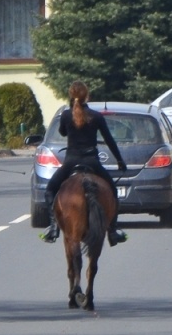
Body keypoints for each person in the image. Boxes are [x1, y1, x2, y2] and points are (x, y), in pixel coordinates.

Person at [40, 82, 129, 246]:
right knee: (113, 192)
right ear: (87, 96)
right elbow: (109, 140)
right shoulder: (96, 116)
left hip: (71, 161)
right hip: (92, 161)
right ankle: (113, 230)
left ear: (71, 95)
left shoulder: (66, 115)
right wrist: (119, 161)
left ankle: (53, 226)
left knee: (50, 189)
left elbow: (62, 132)